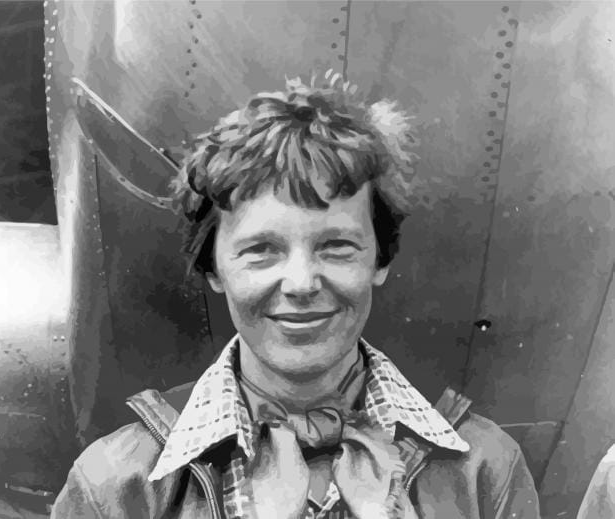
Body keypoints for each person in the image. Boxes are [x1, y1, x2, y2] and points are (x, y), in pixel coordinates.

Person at [51, 72, 540, 518]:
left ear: (380, 260)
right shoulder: (113, 488)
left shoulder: (486, 472)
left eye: (336, 246)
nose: (302, 283)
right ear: (213, 268)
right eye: (261, 250)